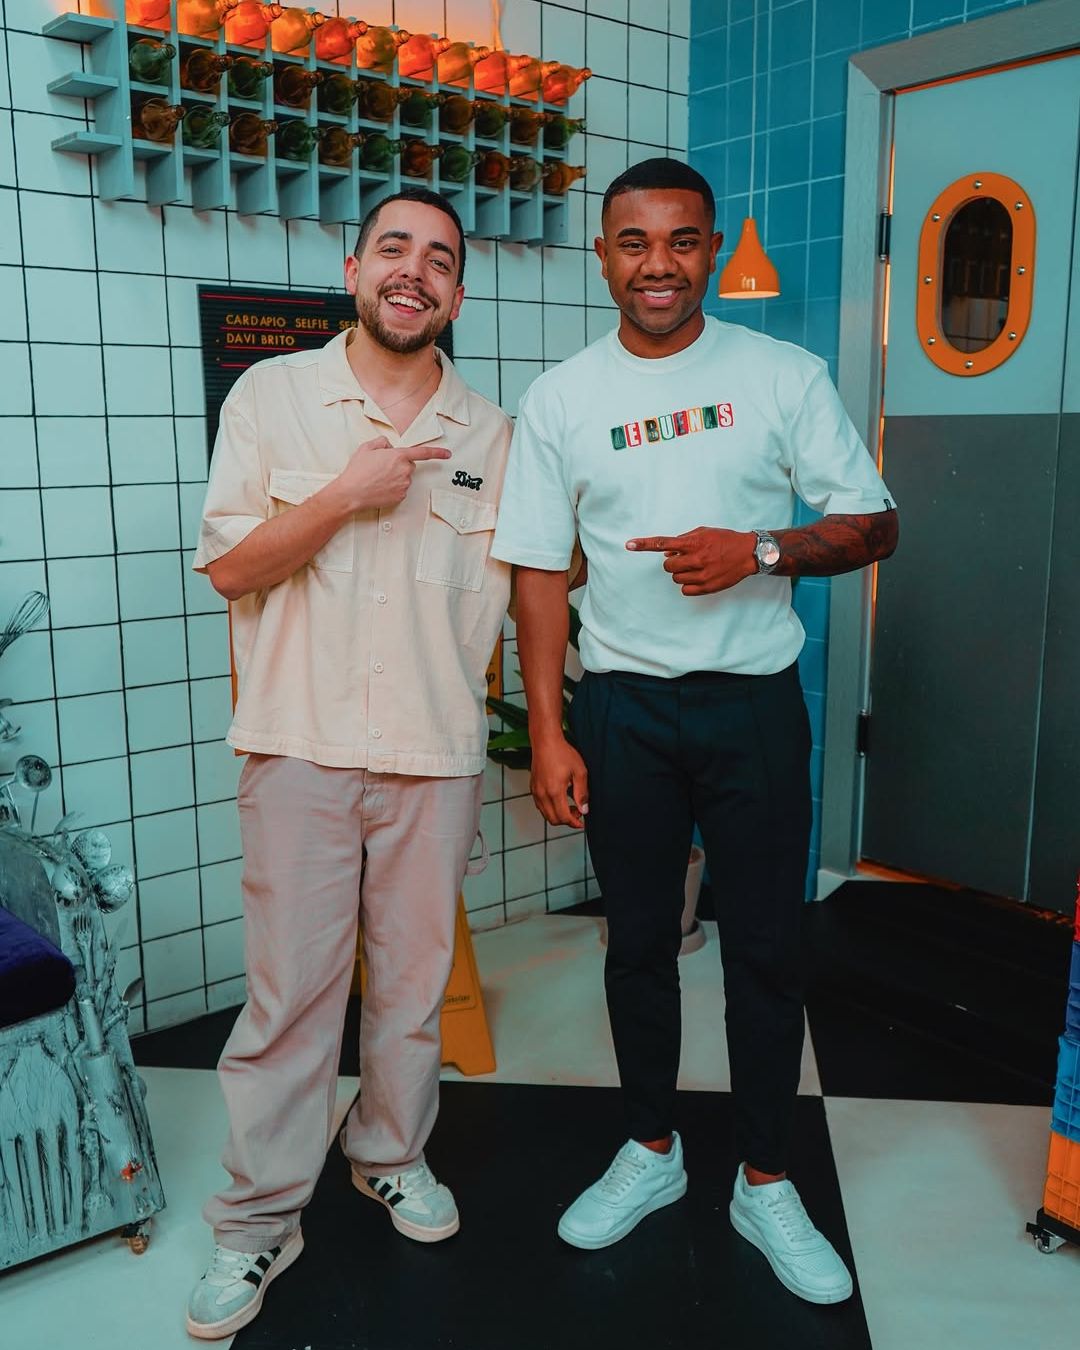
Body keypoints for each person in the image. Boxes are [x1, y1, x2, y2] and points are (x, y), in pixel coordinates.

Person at [490, 158, 898, 1305]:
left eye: (681, 240)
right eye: (633, 242)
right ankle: (651, 1149)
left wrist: (760, 551)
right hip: (623, 710)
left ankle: (765, 1179)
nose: (657, 264)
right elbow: (537, 573)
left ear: (712, 249)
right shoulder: (563, 398)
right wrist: (553, 729)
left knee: (765, 951)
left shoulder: (780, 376)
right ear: (604, 255)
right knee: (635, 948)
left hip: (751, 708)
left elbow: (874, 523)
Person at [186, 187, 511, 1340]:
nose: (414, 270)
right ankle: (257, 1220)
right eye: (394, 249)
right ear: (354, 270)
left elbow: (522, 591)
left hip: (434, 751)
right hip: (299, 743)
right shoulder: (273, 397)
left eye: (439, 258)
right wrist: (345, 495)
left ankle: (389, 1153)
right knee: (290, 997)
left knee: (413, 988)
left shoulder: (492, 435)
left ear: (456, 293)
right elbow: (229, 568)